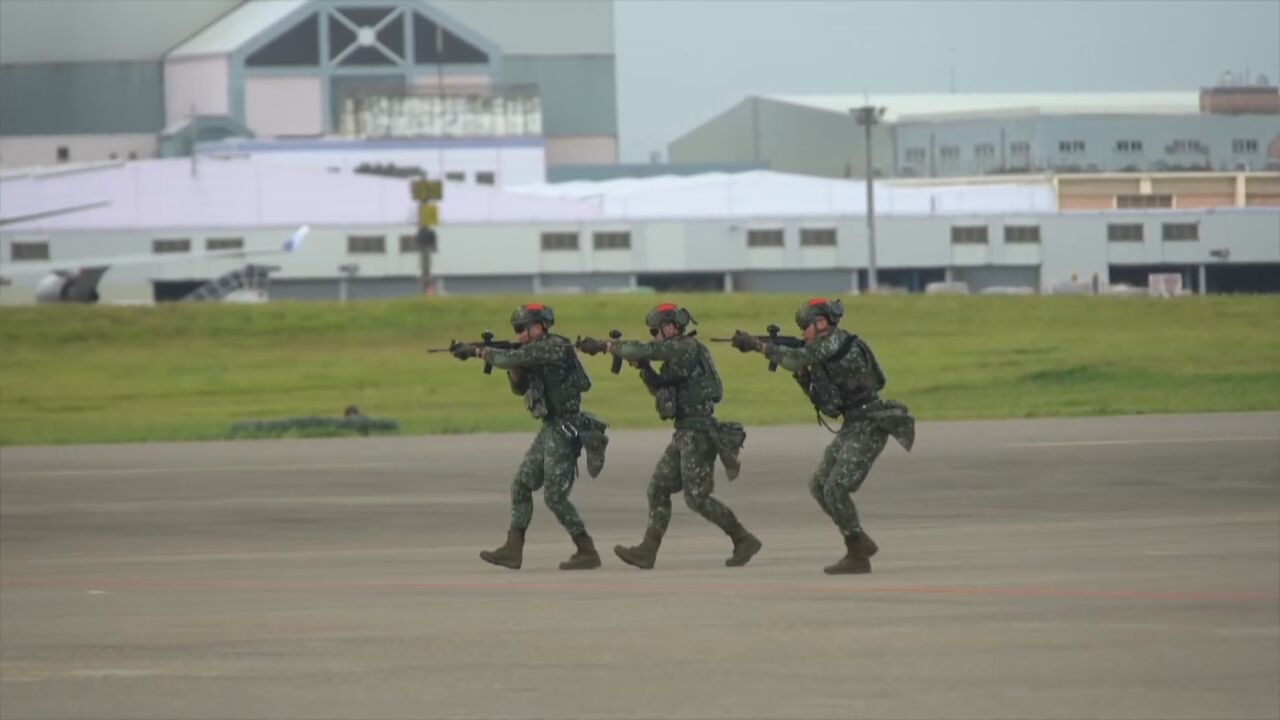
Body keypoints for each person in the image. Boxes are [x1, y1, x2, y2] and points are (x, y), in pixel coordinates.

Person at [729, 298, 913, 574]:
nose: (803, 332)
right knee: (819, 485)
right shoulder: (822, 353)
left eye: (806, 326)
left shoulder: (835, 343)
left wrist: (759, 346)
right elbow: (829, 406)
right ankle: (858, 539)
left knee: (836, 488)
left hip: (871, 423)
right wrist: (806, 382)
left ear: (822, 323)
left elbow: (796, 358)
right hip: (853, 424)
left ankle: (857, 553)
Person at [578, 303, 760, 569]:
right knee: (658, 488)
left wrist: (608, 347)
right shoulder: (676, 354)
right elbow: (662, 387)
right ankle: (648, 551)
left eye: (655, 330)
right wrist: (643, 368)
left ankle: (743, 539)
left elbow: (651, 350)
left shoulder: (685, 347)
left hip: (698, 434)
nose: (653, 335)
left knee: (696, 498)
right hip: (685, 433)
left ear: (671, 328)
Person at [453, 303, 607, 570]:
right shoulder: (530, 352)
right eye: (516, 330)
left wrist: (479, 352)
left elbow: (508, 358)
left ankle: (587, 550)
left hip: (565, 429)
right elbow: (519, 384)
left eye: (522, 329)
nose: (519, 334)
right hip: (550, 428)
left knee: (554, 497)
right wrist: (513, 367)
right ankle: (513, 550)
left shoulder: (553, 346)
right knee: (522, 484)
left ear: (539, 327)